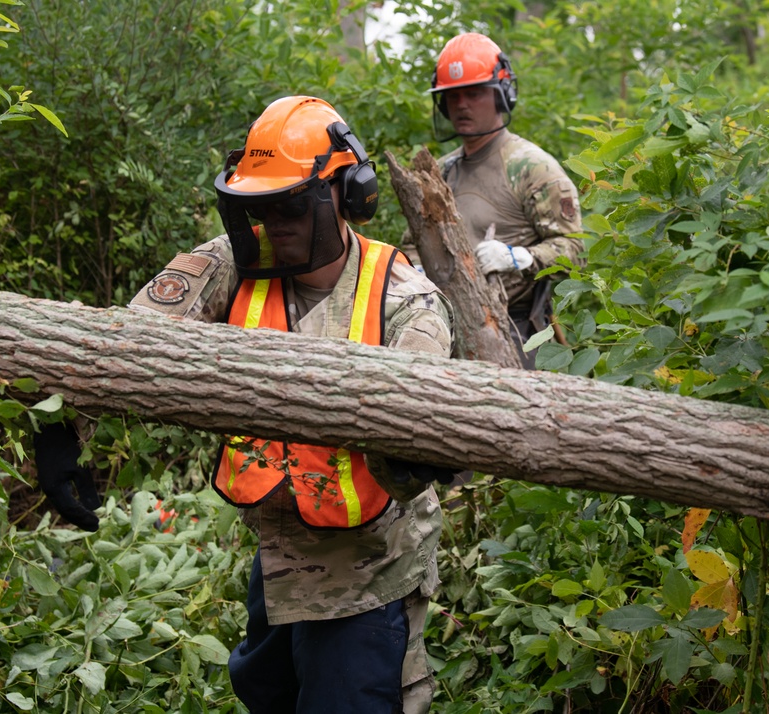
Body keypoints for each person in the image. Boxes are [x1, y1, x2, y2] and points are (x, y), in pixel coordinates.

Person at [35, 96, 455, 713]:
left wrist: (416, 446)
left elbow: (422, 415)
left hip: (368, 568)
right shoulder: (237, 259)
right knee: (266, 694)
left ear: (348, 194)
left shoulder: (406, 301)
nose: (274, 225)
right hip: (281, 548)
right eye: (258, 207)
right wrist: (65, 422)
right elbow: (125, 336)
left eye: (289, 205)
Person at [430, 32, 585, 368]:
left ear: (502, 95)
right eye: (452, 96)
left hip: (515, 330)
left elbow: (574, 250)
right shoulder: (439, 172)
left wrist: (520, 259)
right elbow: (416, 242)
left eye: (473, 93)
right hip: (444, 329)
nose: (461, 105)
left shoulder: (531, 166)